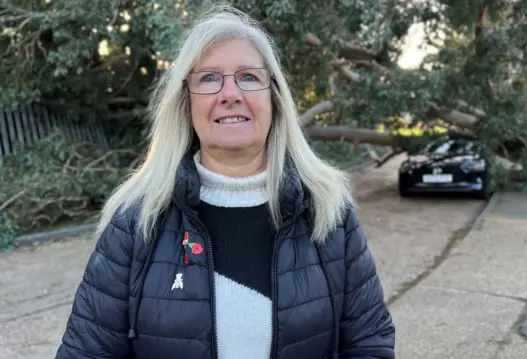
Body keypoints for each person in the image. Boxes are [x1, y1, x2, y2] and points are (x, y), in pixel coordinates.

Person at [55, 5, 395, 359]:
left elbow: (369, 344)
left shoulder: (329, 212)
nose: (230, 93)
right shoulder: (136, 221)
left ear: (274, 98)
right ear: (185, 103)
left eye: (248, 76)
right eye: (209, 78)